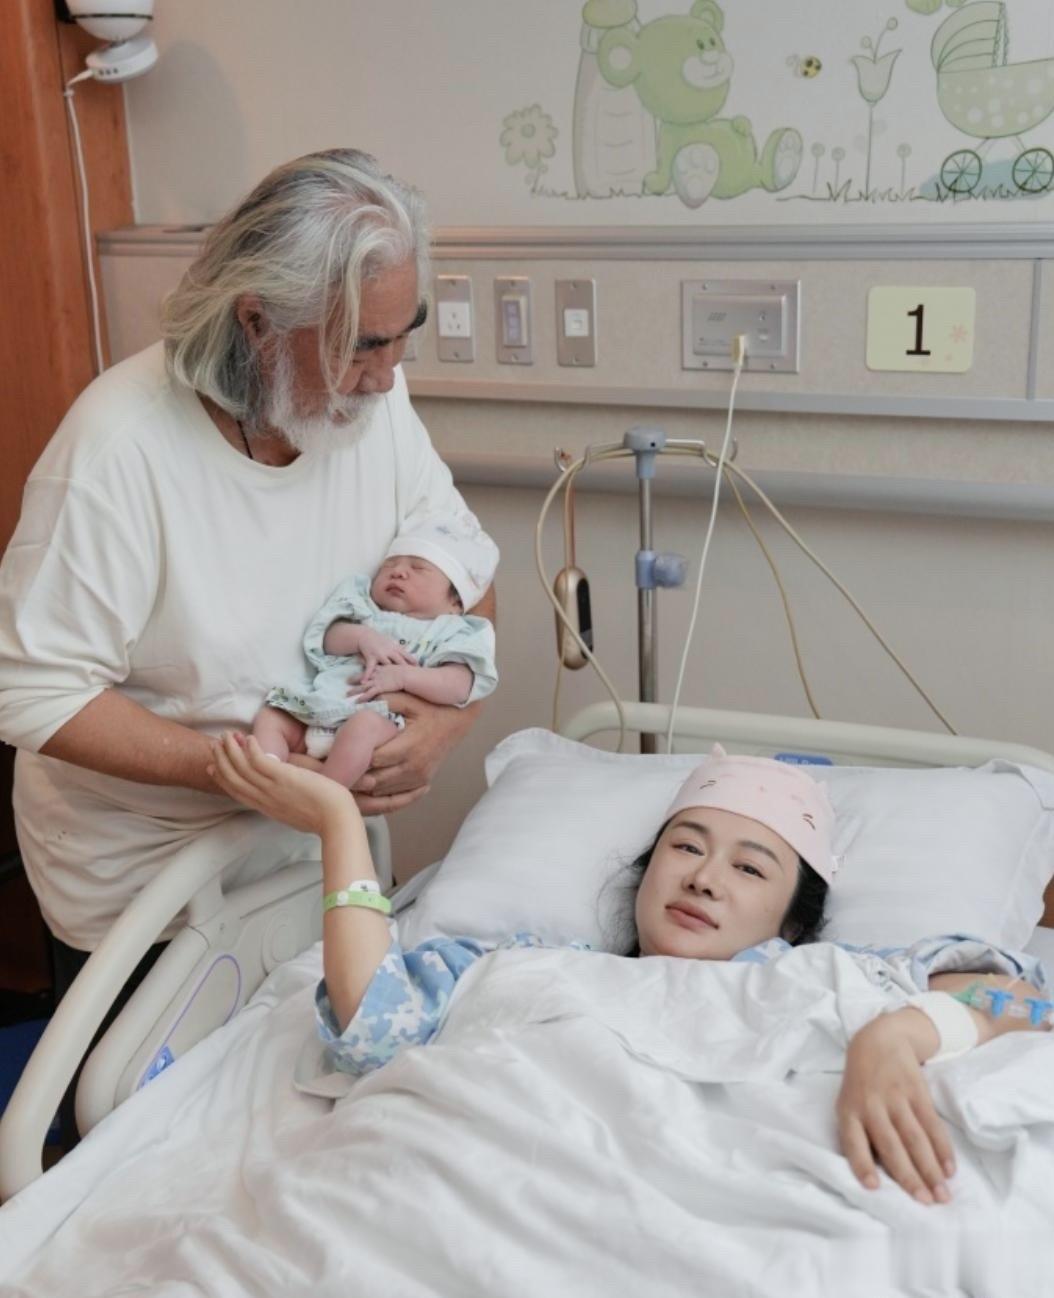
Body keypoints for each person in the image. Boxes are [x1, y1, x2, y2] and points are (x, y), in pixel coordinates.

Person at [0, 149, 494, 979]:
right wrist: (239, 772)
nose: (386, 378)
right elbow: (31, 689)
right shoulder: (120, 450)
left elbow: (464, 574)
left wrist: (443, 722)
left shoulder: (371, 404)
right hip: (148, 894)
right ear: (257, 322)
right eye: (361, 346)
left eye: (402, 338)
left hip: (315, 861)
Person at [209, 735, 1051, 1209]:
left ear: (793, 922)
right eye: (685, 847)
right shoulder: (522, 962)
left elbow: (1021, 999)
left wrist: (896, 1037)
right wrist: (338, 825)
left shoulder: (837, 976)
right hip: (466, 1187)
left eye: (749, 868)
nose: (705, 878)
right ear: (645, 873)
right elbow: (369, 1023)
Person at [254, 512, 499, 787]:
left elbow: (460, 685)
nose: (398, 571)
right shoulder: (363, 606)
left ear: (455, 602)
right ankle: (266, 770)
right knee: (272, 715)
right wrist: (361, 637)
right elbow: (326, 640)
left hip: (378, 717)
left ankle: (324, 790)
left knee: (363, 728)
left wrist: (404, 677)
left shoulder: (452, 632)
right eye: (390, 564)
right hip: (316, 707)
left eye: (418, 568)